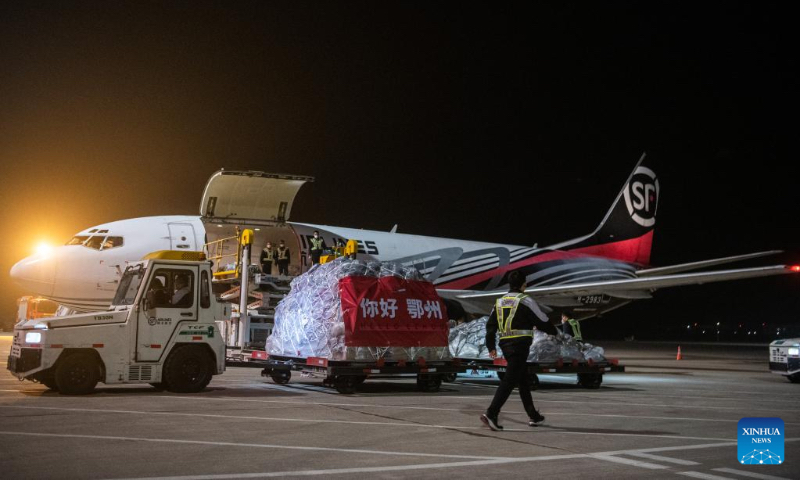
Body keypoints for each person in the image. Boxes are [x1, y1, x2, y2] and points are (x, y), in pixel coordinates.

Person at [481, 270, 556, 431]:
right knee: (509, 380)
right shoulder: (525, 300)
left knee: (522, 380)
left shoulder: (499, 301)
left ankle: (533, 415)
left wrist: (491, 346)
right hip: (519, 345)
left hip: (505, 345)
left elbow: (490, 326)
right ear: (524, 284)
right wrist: (555, 332)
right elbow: (543, 320)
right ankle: (491, 413)